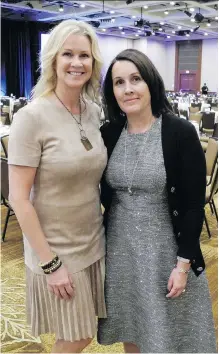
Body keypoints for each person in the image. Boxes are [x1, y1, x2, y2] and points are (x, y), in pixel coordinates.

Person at [97, 49, 217, 353]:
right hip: (120, 253)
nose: (128, 89)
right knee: (132, 327)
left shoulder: (179, 132)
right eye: (118, 82)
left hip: (166, 253)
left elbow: (192, 205)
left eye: (135, 79)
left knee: (170, 334)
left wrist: (182, 264)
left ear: (150, 82)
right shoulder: (109, 133)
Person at [8, 20, 107, 353]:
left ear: (93, 63)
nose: (76, 63)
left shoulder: (94, 113)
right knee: (76, 336)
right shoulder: (31, 117)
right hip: (55, 249)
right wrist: (50, 263)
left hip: (93, 242)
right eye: (68, 54)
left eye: (84, 55)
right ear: (52, 59)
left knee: (83, 330)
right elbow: (18, 199)